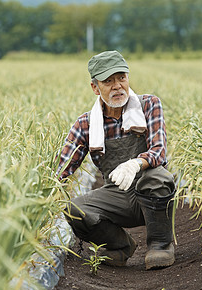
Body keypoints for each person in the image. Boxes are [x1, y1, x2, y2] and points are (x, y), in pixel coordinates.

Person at [56, 50, 176, 270]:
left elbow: (159, 151)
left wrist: (135, 163)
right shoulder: (86, 124)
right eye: (108, 81)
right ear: (95, 87)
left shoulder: (149, 105)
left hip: (151, 193)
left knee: (158, 177)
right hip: (117, 196)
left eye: (122, 78)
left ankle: (160, 244)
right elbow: (61, 169)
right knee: (75, 209)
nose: (118, 86)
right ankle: (120, 246)